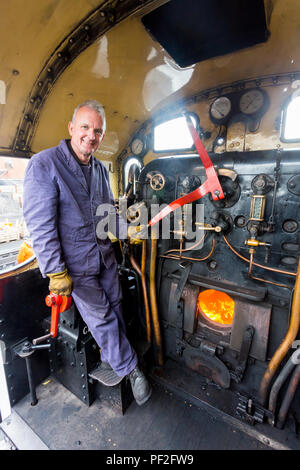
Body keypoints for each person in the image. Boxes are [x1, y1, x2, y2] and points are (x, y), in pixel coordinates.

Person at [23, 100, 152, 406]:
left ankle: (113, 356)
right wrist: (55, 271)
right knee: (103, 317)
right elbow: (40, 225)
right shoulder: (45, 164)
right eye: (85, 127)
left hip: (104, 258)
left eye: (97, 131)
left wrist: (128, 231)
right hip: (75, 269)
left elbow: (108, 214)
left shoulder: (99, 168)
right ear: (71, 128)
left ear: (101, 137)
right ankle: (130, 369)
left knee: (118, 304)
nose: (90, 136)